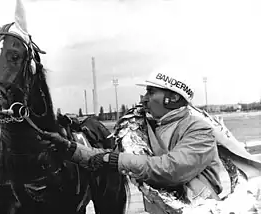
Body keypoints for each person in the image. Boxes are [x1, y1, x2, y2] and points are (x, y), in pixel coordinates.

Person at [44, 68, 232, 202]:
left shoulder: (200, 131)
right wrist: (69, 148)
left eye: (151, 92)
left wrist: (113, 159)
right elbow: (104, 157)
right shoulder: (143, 128)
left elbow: (171, 170)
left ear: (173, 97)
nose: (144, 98)